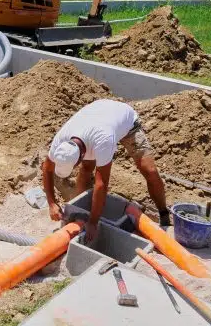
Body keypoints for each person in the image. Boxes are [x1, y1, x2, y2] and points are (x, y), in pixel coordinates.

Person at [41, 99, 170, 242]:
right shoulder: (61, 141)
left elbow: (101, 183)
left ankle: (164, 214)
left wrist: (93, 222)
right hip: (96, 119)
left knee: (149, 171)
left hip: (125, 122)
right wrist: (52, 203)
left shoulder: (103, 140)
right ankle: (79, 213)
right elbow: (47, 168)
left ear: (80, 156)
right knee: (87, 168)